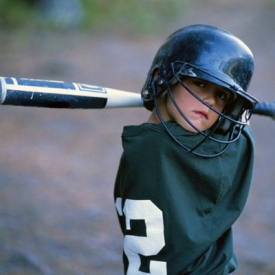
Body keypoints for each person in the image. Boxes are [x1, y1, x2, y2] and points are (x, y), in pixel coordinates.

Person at [114, 24, 258, 275]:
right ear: (163, 78)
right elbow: (242, 133)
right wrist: (238, 115)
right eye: (201, 83)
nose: (212, 101)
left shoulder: (141, 144)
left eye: (223, 96)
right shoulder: (229, 148)